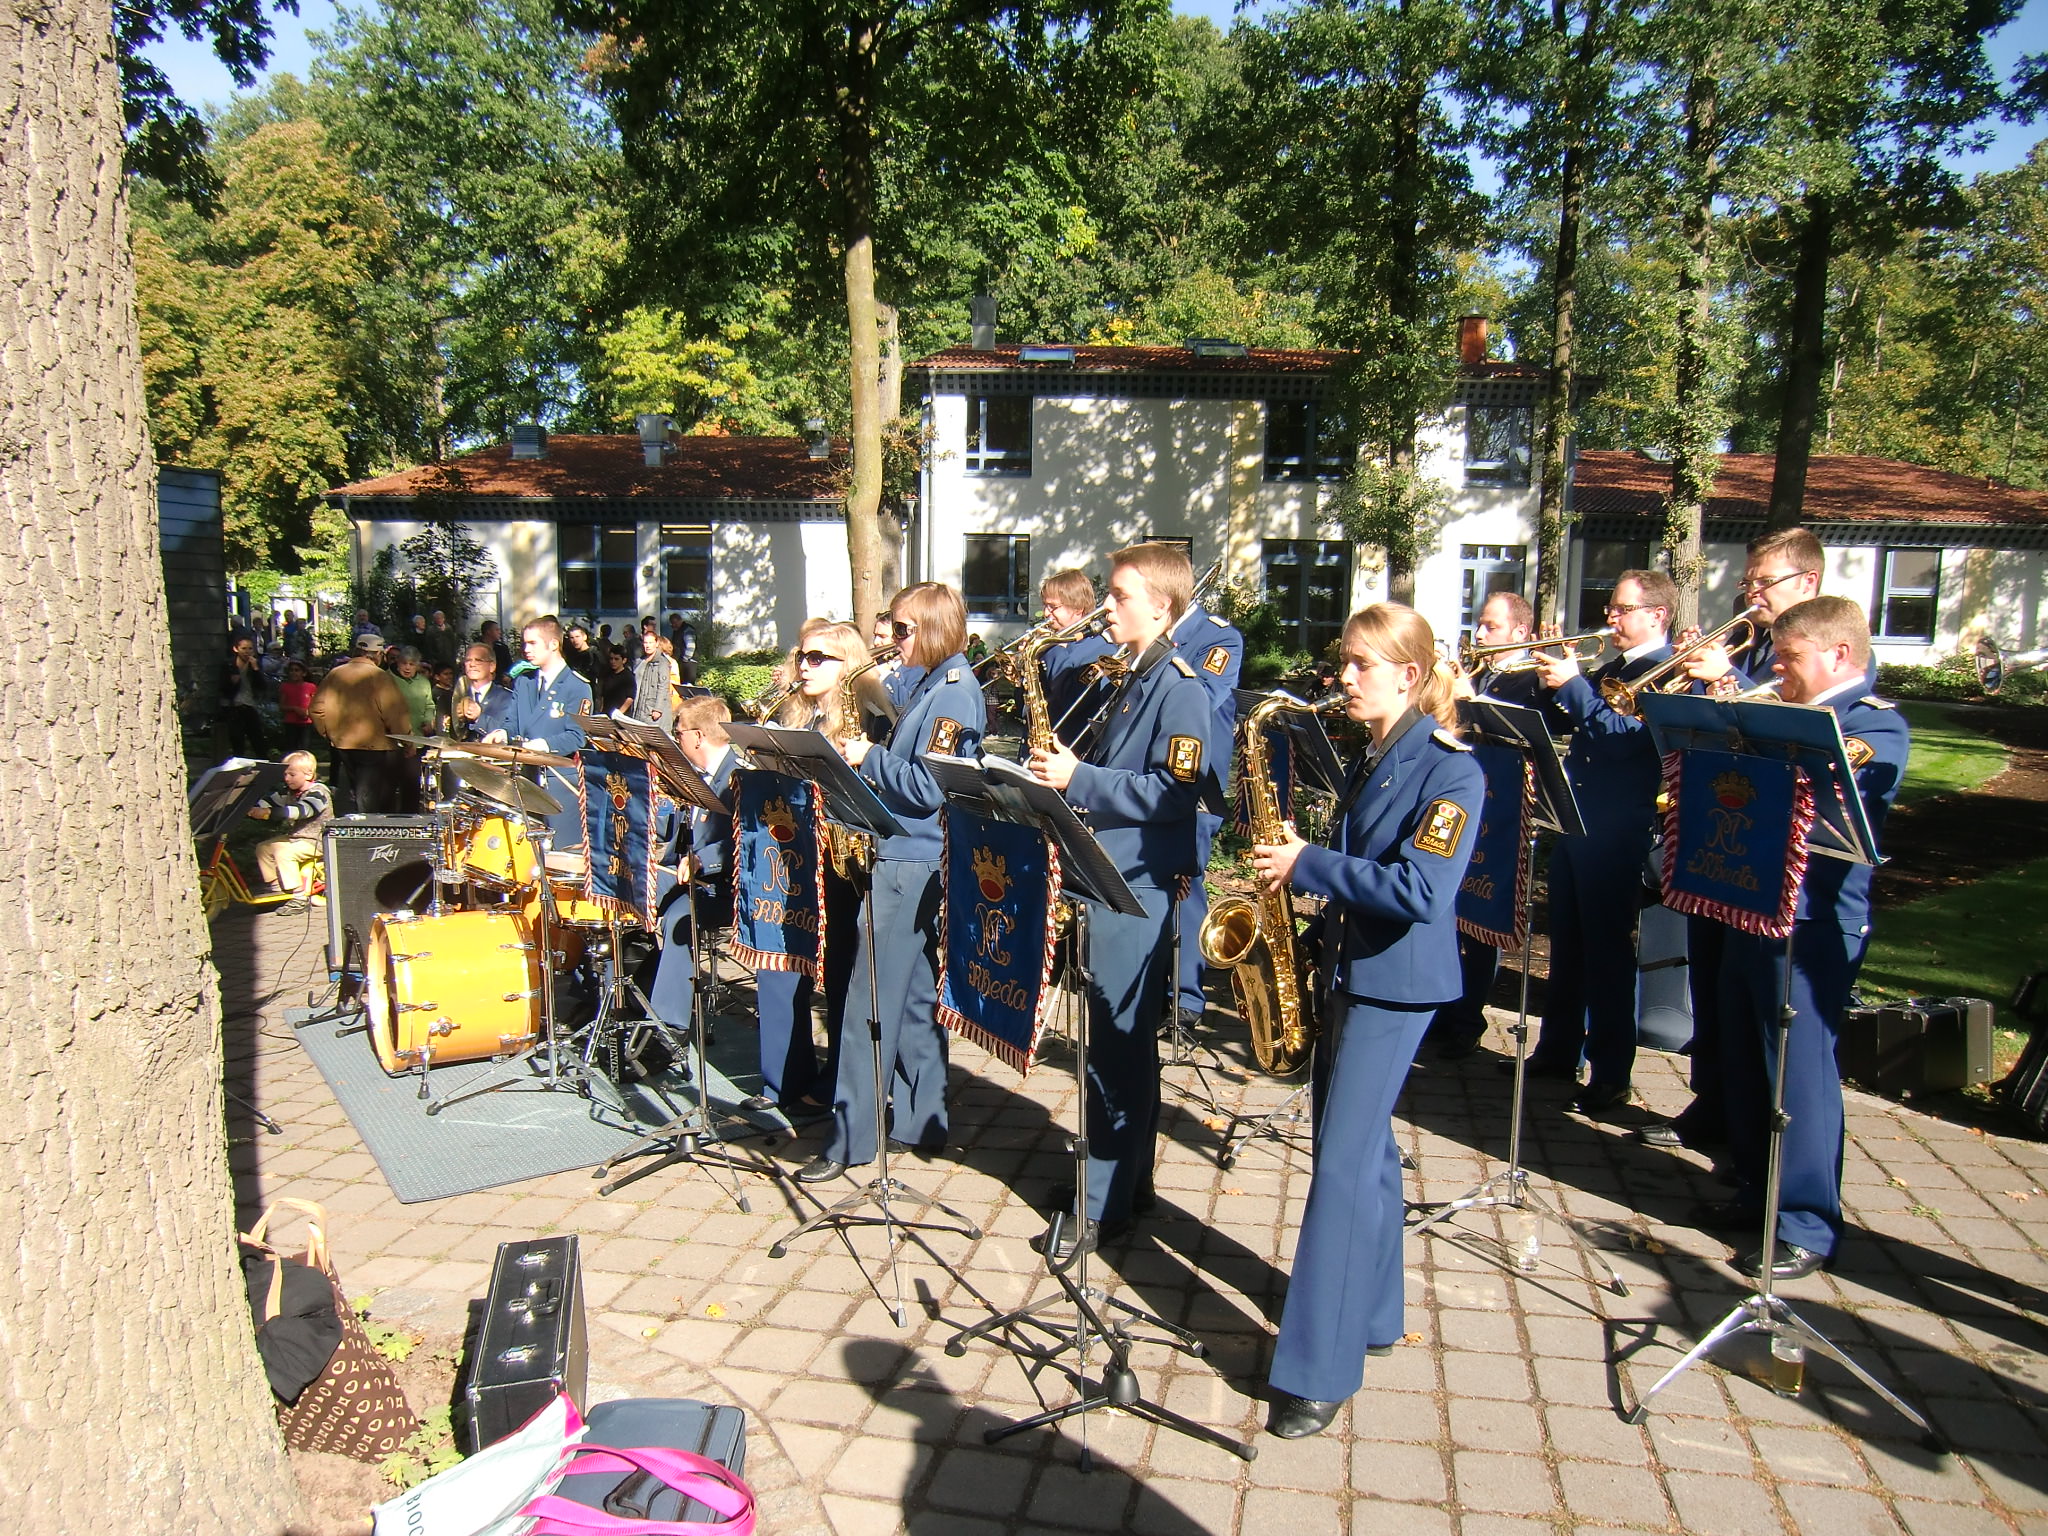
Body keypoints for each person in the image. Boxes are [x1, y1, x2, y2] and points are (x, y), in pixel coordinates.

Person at [1248, 603, 1485, 1439]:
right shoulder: (1378, 752)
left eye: (1360, 664)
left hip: (1395, 987)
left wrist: (1307, 863)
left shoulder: (1453, 773)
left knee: (1341, 1170)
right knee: (1369, 1154)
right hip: (1352, 969)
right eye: (1343, 661)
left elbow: (1421, 891)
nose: (1342, 677)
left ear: (1409, 675)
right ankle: (1377, 1314)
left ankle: (1319, 1370)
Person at [1691, 597, 1908, 1279]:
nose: (1778, 670)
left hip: (1811, 921)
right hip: (1752, 904)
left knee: (1800, 1073)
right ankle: (1759, 1192)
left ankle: (1807, 1222)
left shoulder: (1873, 723)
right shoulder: (1783, 714)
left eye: (1790, 658)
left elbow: (1835, 793)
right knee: (1745, 1058)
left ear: (1839, 655)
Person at [1027, 543, 1221, 1257]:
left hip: (1134, 886)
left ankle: (1102, 1206)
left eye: (1119, 595)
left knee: (1114, 1051)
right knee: (1123, 1047)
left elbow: (1175, 794)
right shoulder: (1134, 676)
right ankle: (1128, 1183)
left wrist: (1078, 779)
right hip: (1110, 875)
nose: (1106, 606)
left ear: (1161, 607)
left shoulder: (1182, 688)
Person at [798, 585, 985, 1184]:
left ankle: (849, 1140)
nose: (892, 638)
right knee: (913, 999)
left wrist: (866, 755)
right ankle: (921, 1121)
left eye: (902, 629)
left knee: (866, 1002)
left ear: (931, 628)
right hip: (911, 856)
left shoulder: (953, 694)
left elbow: (927, 789)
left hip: (911, 862)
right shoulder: (935, 684)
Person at [1652, 527, 1830, 1153]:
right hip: (1718, 841)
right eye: (1748, 580)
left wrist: (1726, 676)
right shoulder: (1751, 646)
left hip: (1770, 859)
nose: (1751, 593)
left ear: (1808, 582)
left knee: (1752, 1000)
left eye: (1764, 582)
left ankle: (1749, 1131)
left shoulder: (1820, 653)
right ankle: (1713, 1102)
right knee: (1714, 982)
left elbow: (1798, 734)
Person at [1526, 569, 1676, 1116]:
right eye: (1612, 607)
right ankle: (1558, 1049)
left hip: (1618, 828)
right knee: (1567, 945)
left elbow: (1625, 742)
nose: (1610, 617)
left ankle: (1611, 1073)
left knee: (1608, 953)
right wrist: (1550, 678)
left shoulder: (1669, 671)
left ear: (1657, 615)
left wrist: (1574, 685)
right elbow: (1565, 723)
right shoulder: (1613, 668)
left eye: (1622, 608)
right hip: (1578, 821)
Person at [743, 620, 870, 1113]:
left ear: (848, 664)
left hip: (842, 864)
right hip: (799, 855)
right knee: (790, 966)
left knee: (841, 974)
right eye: (802, 656)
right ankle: (788, 1078)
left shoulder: (866, 719)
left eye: (818, 658)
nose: (805, 666)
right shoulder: (804, 715)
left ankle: (839, 1080)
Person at [1428, 590, 1544, 1060]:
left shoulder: (1533, 680)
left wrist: (1472, 701)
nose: (1478, 634)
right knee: (1452, 913)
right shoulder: (1484, 672)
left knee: (1481, 921)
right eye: (1479, 623)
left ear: (1520, 632)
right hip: (1468, 801)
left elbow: (1523, 739)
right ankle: (1443, 1008)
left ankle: (1467, 1018)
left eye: (1491, 626)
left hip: (1503, 812)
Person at [1166, 580, 1244, 1036]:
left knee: (1186, 885)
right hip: (1147, 779)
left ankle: (1186, 998)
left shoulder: (1218, 636)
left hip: (1196, 784)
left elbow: (1203, 696)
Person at [648, 694, 737, 1053]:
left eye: (678, 732)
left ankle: (670, 1028)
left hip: (723, 885)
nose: (676, 740)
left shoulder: (739, 777)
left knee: (680, 917)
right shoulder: (694, 775)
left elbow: (745, 837)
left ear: (698, 736)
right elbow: (675, 828)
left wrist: (703, 859)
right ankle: (629, 999)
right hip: (686, 875)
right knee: (630, 894)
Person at [484, 616, 591, 853]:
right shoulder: (524, 682)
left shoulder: (577, 686)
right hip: (525, 777)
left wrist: (541, 745)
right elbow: (513, 722)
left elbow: (577, 736)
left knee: (561, 853)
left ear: (553, 644)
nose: (526, 649)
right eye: (525, 643)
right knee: (526, 853)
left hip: (559, 781)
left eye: (533, 643)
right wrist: (502, 733)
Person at [310, 633, 412, 814]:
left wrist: (330, 734)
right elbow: (395, 713)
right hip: (373, 745)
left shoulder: (335, 674)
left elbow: (317, 709)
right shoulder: (379, 676)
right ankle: (367, 829)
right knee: (368, 797)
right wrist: (407, 741)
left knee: (357, 790)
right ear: (378, 654)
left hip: (342, 742)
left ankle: (360, 822)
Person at [248, 751, 333, 916]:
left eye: (292, 774)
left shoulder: (318, 792)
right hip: (297, 838)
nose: (287, 778)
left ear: (308, 774)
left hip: (317, 840)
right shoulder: (289, 792)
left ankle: (299, 897)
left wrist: (270, 812)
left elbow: (303, 810)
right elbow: (269, 801)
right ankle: (276, 887)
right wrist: (252, 808)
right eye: (285, 774)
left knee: (284, 852)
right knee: (263, 848)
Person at [1035, 567, 1113, 742]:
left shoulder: (1101, 650)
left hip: (1071, 747)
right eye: (1045, 605)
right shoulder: (1057, 644)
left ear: (1078, 609)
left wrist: (1051, 648)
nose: (1046, 613)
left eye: (1053, 607)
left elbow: (1071, 700)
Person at [450, 642, 514, 740]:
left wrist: (479, 718)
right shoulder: (457, 696)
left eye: (479, 660)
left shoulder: (507, 698)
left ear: (492, 666)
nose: (472, 664)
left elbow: (509, 733)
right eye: (468, 660)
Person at [218, 635, 268, 759]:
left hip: (250, 704)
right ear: (236, 649)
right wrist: (232, 682)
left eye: (250, 648)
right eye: (244, 648)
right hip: (233, 706)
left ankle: (264, 763)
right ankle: (238, 764)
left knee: (257, 738)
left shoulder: (254, 664)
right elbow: (222, 687)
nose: (247, 652)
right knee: (237, 740)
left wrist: (256, 669)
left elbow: (262, 686)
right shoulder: (229, 664)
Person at [632, 631, 678, 732]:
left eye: (651, 642)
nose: (648, 645)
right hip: (639, 706)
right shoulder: (640, 661)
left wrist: (658, 709)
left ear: (656, 644)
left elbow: (663, 687)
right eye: (646, 642)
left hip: (652, 709)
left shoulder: (662, 662)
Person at [277, 660, 317, 756]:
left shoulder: (311, 686)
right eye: (291, 670)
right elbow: (281, 706)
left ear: (303, 673)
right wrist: (295, 708)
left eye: (297, 670)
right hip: (290, 723)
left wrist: (308, 712)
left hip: (306, 722)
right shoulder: (285, 686)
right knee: (291, 750)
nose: (294, 673)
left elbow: (316, 704)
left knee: (305, 750)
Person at [598, 646, 637, 714]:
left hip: (620, 715)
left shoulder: (628, 676)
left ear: (624, 660)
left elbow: (630, 698)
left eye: (616, 659)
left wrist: (619, 713)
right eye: (611, 659)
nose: (613, 661)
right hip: (606, 713)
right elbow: (603, 695)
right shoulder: (607, 674)